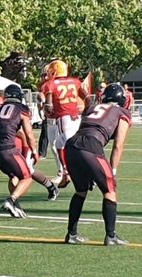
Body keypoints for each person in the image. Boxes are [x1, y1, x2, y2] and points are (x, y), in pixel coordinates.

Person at [64, 83, 132, 246]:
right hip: (90, 145)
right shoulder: (122, 112)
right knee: (109, 189)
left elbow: (85, 130)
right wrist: (112, 170)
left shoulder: (91, 108)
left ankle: (71, 234)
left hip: (71, 145)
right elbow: (118, 145)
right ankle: (111, 236)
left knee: (80, 191)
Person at [0, 84, 39, 219]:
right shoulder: (21, 109)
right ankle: (11, 200)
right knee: (27, 177)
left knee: (14, 176)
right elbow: (29, 133)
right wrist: (34, 150)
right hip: (8, 149)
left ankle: (15, 205)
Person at [42, 60, 86, 188]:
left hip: (64, 118)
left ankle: (86, 174)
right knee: (60, 145)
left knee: (71, 147)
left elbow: (49, 106)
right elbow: (87, 97)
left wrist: (47, 110)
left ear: (54, 71)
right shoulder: (75, 81)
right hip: (77, 117)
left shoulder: (50, 84)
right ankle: (66, 173)